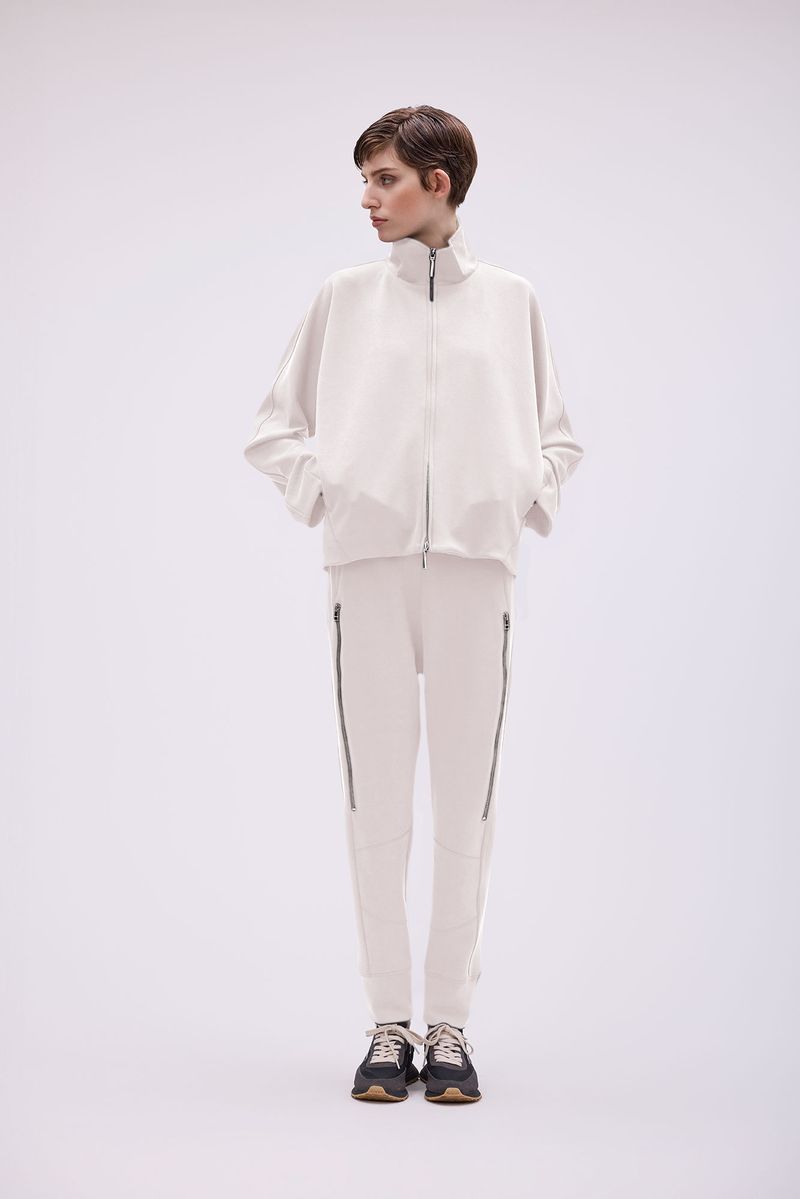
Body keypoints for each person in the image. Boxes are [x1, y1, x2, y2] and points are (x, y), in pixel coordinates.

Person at [243, 105, 584, 1103]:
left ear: (439, 183)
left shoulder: (512, 301)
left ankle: (451, 1025)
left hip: (477, 572)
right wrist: (333, 492)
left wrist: (514, 495)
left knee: (465, 805)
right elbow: (273, 429)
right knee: (377, 804)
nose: (367, 198)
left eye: (383, 178)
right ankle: (388, 1024)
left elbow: (558, 437)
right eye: (364, 179)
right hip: (370, 569)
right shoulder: (344, 298)